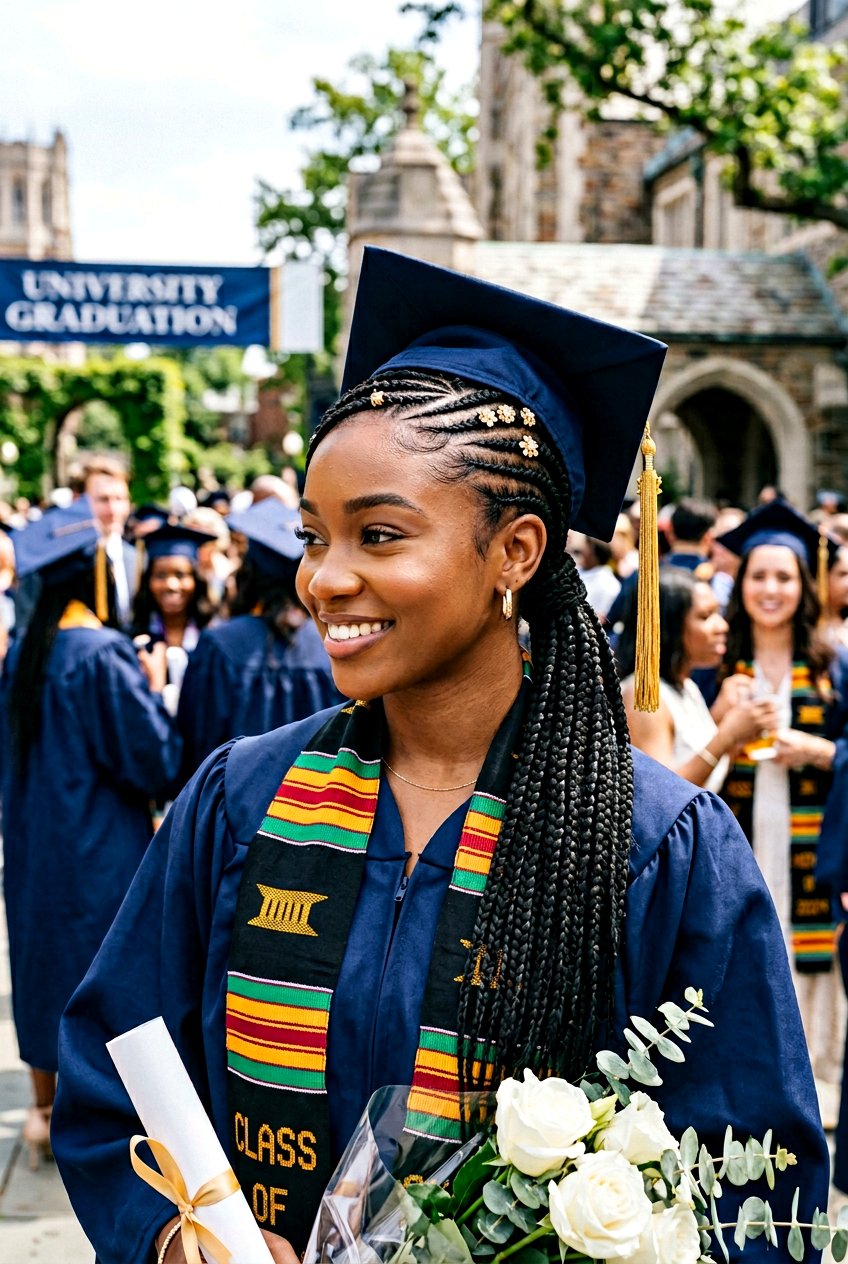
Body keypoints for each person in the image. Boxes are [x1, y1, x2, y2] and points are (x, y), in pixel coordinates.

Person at [52, 248, 827, 1264]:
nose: (325, 579)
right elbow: (111, 1074)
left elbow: (755, 1184)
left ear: (515, 550)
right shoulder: (241, 800)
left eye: (379, 534)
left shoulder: (652, 842)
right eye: (315, 535)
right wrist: (176, 1235)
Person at [0, 499, 182, 1168]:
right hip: (101, 850)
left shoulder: (23, 653)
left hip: (34, 844)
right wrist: (156, 686)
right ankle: (110, 1119)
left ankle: (47, 1113)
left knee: (43, 965)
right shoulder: (100, 654)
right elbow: (153, 762)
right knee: (107, 975)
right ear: (91, 577)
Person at [715, 499, 848, 1129]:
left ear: (805, 585)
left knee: (804, 951)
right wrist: (723, 723)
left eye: (785, 577)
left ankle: (814, 1089)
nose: (771, 589)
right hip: (739, 835)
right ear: (742, 583)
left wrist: (818, 751)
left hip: (813, 841)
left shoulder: (832, 668)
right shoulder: (717, 664)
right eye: (759, 576)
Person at [176, 497, 340, 781]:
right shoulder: (332, 644)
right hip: (315, 813)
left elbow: (197, 747)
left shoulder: (220, 646)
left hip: (234, 809)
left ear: (248, 572)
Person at [616, 568, 777, 792]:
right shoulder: (643, 696)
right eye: (705, 616)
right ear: (668, 626)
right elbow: (661, 794)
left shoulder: (686, 687)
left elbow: (691, 758)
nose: (722, 626)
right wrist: (727, 734)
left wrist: (724, 717)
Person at [131, 523, 215, 657]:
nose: (171, 585)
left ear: (196, 580)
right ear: (148, 581)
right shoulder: (133, 638)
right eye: (160, 575)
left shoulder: (214, 634)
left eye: (180, 575)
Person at [82, 456, 137, 628]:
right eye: (103, 499)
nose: (113, 510)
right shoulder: (71, 564)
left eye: (120, 499)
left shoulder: (136, 558)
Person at [566, 530, 620, 621]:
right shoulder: (576, 570)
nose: (581, 550)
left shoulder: (609, 584)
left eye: (585, 545)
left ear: (592, 552)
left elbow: (602, 618)